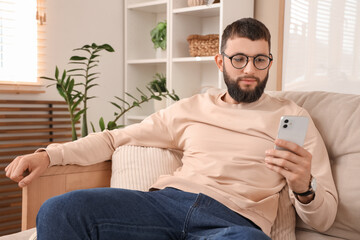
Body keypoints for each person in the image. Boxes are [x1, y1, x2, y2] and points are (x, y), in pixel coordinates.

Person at [5, 18, 337, 240]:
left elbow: (324, 218)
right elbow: (113, 138)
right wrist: (49, 155)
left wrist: (304, 186)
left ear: (269, 62)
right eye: (239, 59)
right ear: (221, 62)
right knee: (60, 210)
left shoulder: (295, 118)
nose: (249, 69)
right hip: (165, 206)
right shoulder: (191, 108)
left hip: (234, 224)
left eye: (259, 60)